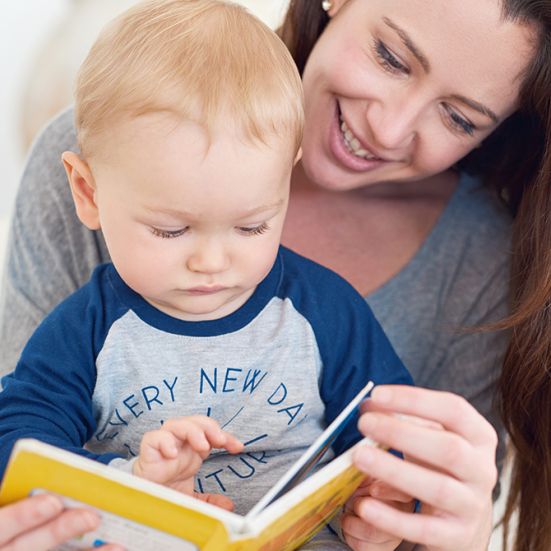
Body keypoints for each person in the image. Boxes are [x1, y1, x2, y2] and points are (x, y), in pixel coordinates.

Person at [0, 0, 548, 549]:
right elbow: (22, 441)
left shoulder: (333, 305)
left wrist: (395, 502)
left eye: (459, 117)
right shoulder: (96, 300)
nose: (388, 127)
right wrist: (126, 487)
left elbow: (391, 435)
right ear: (89, 193)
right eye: (391, 56)